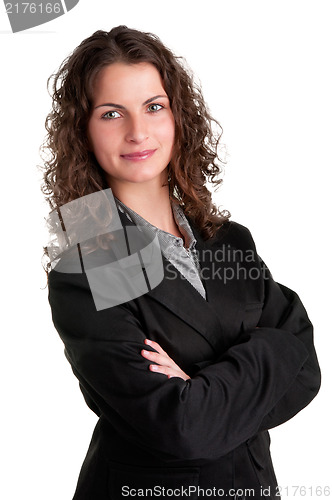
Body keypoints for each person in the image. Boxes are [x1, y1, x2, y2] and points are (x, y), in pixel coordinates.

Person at [42, 26, 321, 500]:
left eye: (154, 107)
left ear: (178, 116)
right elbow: (182, 428)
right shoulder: (93, 253)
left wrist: (204, 386)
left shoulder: (230, 241)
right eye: (112, 114)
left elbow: (307, 368)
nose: (138, 132)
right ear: (83, 130)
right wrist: (267, 353)